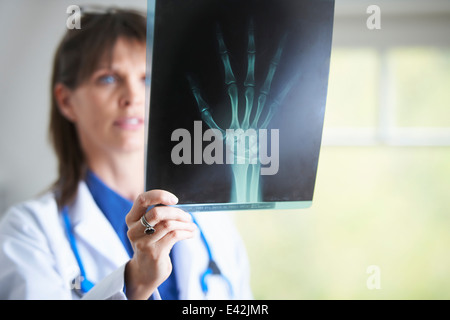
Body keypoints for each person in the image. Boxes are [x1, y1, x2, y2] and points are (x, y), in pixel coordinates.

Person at [0, 7, 252, 300]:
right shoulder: (28, 232)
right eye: (108, 78)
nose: (132, 96)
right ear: (66, 101)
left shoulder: (213, 223)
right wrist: (135, 284)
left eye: (146, 79)